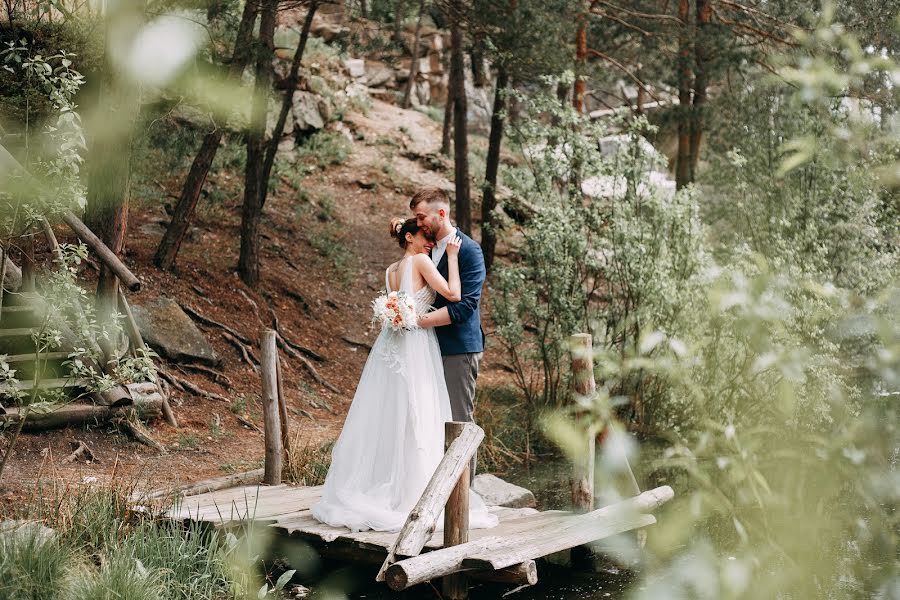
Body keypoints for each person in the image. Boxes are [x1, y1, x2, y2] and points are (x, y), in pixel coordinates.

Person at [310, 216, 497, 533]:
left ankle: (386, 485)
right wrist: (451, 257)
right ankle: (413, 493)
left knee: (391, 414)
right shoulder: (422, 261)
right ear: (409, 238)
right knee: (419, 412)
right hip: (415, 344)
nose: (429, 242)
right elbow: (453, 294)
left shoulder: (390, 271)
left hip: (390, 346)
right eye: (424, 236)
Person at [412, 188, 485, 478]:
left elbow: (466, 307)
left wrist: (419, 321)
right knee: (430, 418)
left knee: (459, 422)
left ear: (441, 213)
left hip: (458, 348)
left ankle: (466, 500)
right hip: (427, 348)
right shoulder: (424, 248)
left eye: (421, 217)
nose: (418, 224)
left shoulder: (468, 250)